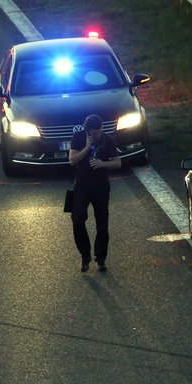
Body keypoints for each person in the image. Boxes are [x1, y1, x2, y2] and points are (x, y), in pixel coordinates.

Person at [68, 114, 122, 271]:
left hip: (101, 186)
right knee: (77, 219)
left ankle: (101, 258)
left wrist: (102, 164)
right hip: (81, 185)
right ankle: (85, 255)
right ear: (87, 131)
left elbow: (118, 162)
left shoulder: (108, 140)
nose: (97, 135)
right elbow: (72, 160)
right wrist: (86, 148)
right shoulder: (78, 137)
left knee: (102, 223)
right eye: (94, 132)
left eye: (99, 131)